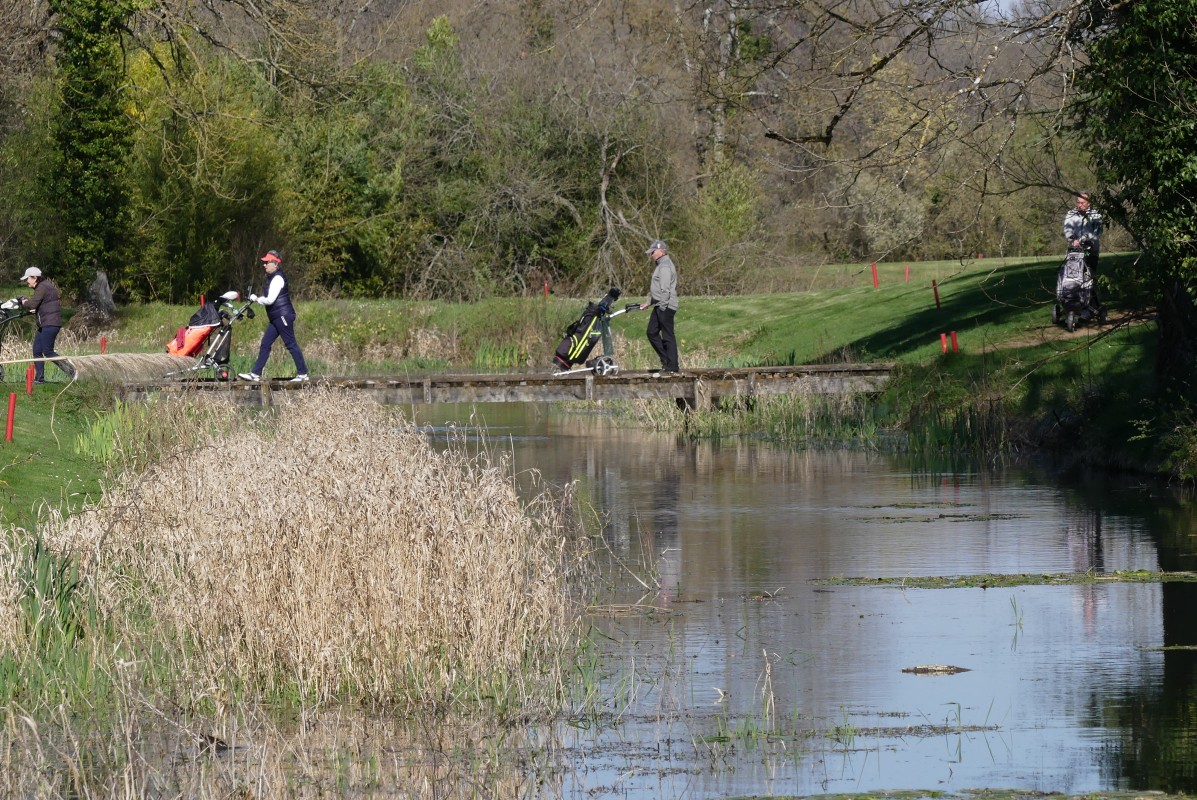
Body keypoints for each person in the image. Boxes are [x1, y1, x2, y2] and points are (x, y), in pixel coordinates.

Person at [238, 250, 310, 383]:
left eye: (267, 262)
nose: (264, 265)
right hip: (276, 317)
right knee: (265, 343)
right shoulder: (272, 277)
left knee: (290, 344)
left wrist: (257, 299)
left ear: (275, 264)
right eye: (264, 262)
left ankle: (303, 374)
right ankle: (255, 374)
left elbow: (270, 300)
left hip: (282, 316)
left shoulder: (277, 278)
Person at [18, 267, 74, 383]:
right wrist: (36, 310)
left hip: (50, 324)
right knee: (37, 350)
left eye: (27, 279)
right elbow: (44, 305)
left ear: (34, 278)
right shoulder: (45, 286)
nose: (26, 282)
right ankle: (39, 379)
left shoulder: (42, 287)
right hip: (46, 324)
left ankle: (72, 371)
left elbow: (33, 304)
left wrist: (24, 302)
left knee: (48, 351)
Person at [639, 240, 679, 375]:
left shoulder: (665, 266)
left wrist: (662, 307)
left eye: (653, 252)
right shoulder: (660, 265)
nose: (651, 255)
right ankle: (666, 360)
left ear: (661, 251)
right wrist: (649, 302)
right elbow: (656, 289)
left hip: (666, 306)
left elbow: (665, 290)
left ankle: (672, 366)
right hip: (659, 305)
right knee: (651, 332)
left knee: (668, 335)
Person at [1064, 191, 1103, 279]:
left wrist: (1083, 239)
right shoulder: (1071, 214)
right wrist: (1073, 240)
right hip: (1075, 250)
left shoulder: (1095, 214)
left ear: (1088, 203)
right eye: (1078, 202)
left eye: (1082, 203)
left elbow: (1097, 232)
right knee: (1074, 275)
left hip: (1091, 250)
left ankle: (1091, 290)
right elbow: (1067, 229)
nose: (1080, 205)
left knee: (1089, 274)